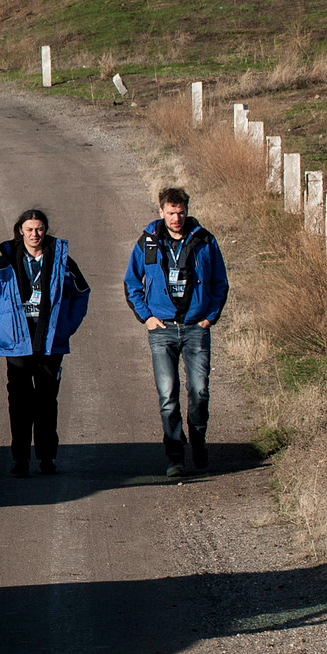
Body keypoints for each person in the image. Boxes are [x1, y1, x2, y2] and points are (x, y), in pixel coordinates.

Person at [123, 186, 229, 476]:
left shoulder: (205, 241)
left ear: (187, 211)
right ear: (161, 212)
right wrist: (146, 317)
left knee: (200, 391)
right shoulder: (148, 243)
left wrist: (209, 317)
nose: (176, 218)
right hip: (162, 330)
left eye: (181, 212)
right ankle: (175, 455)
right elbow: (132, 283)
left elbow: (220, 283)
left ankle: (198, 440)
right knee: (168, 395)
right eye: (170, 212)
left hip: (196, 328)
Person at [0, 209, 89, 477]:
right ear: (20, 230)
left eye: (39, 229)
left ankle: (46, 457)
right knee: (18, 403)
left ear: (46, 230)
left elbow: (82, 293)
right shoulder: (3, 263)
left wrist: (67, 326)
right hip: (17, 341)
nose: (34, 234)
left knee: (46, 401)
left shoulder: (62, 261)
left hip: (49, 342)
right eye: (29, 229)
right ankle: (20, 459)